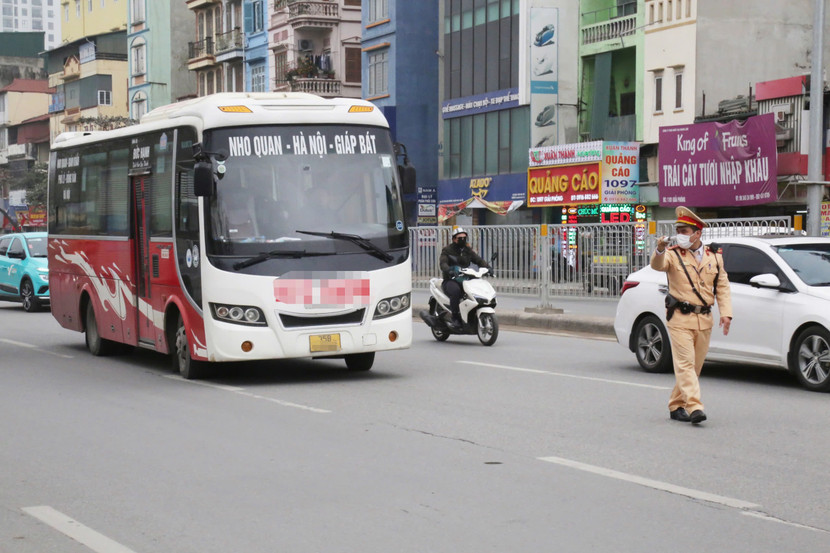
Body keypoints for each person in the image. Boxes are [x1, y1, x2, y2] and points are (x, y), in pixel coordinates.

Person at [651, 206, 732, 425]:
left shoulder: (714, 256)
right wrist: (659, 249)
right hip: (680, 318)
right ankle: (694, 406)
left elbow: (722, 286)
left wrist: (726, 313)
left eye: (685, 230)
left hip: (704, 319)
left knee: (694, 367)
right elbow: (658, 266)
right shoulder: (673, 254)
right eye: (678, 230)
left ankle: (676, 405)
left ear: (697, 233)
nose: (680, 234)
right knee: (685, 364)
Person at [439, 226, 489, 331]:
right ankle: (455, 318)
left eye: (464, 237)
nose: (462, 240)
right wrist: (449, 270)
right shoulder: (447, 250)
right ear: (454, 239)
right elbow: (443, 263)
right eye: (459, 238)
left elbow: (478, 260)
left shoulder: (467, 250)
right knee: (456, 292)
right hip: (451, 279)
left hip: (465, 279)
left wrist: (488, 268)